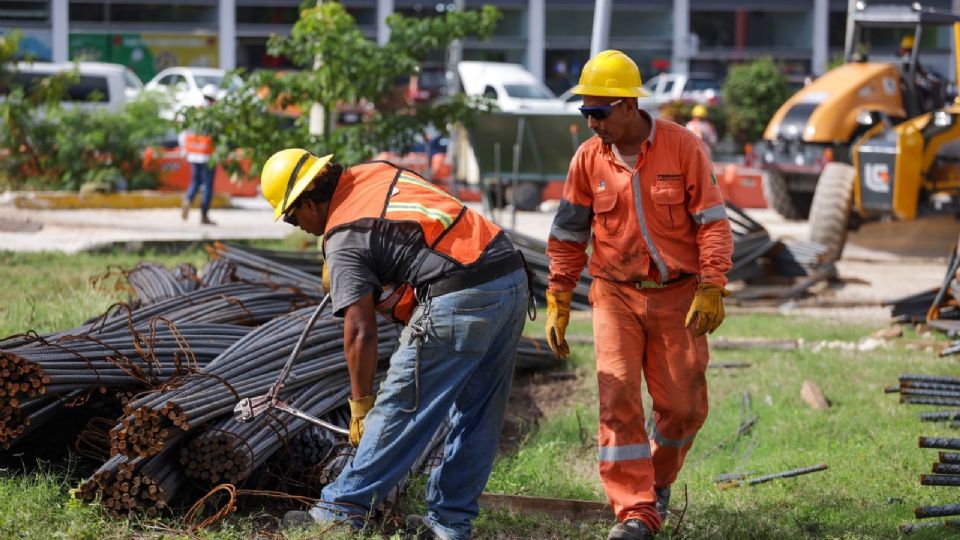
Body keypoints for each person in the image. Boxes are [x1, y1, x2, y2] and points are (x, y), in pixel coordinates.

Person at [259, 149, 532, 539]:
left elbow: (359, 331)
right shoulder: (373, 173)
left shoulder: (343, 236)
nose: (295, 225)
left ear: (307, 202)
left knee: (400, 406)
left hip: (461, 294)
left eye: (291, 215)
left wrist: (360, 405)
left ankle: (340, 512)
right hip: (508, 274)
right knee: (479, 412)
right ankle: (450, 523)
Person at [544, 50, 733, 540]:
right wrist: (559, 298)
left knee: (685, 406)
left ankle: (658, 478)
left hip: (678, 295)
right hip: (615, 294)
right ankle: (635, 511)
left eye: (599, 113)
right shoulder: (588, 159)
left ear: (628, 106)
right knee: (619, 397)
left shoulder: (682, 146)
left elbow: (713, 224)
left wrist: (712, 284)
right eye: (586, 112)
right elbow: (568, 234)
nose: (592, 123)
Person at [179, 84, 220, 225]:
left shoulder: (195, 111)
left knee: (195, 182)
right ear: (214, 98)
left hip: (193, 153)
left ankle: (187, 200)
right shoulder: (214, 115)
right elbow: (219, 136)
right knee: (208, 185)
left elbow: (184, 132)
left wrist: (184, 149)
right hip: (208, 155)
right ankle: (204, 215)